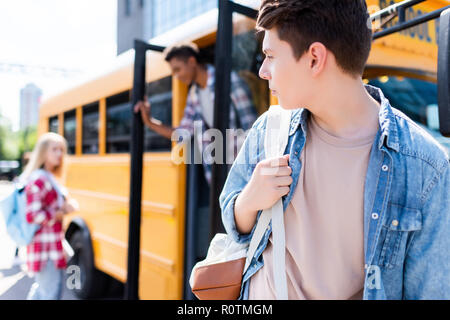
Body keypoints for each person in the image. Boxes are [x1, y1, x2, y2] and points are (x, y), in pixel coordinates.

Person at [219, 0, 449, 300]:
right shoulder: (269, 129)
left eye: (270, 56)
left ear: (314, 58)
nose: (263, 71)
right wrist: (249, 201)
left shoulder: (425, 165)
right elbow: (232, 219)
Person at [134, 43, 258, 185]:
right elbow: (182, 134)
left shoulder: (229, 80)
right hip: (220, 177)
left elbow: (250, 124)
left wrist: (252, 171)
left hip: (245, 172)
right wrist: (149, 122)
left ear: (192, 62)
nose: (176, 76)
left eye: (177, 69)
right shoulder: (194, 95)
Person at [20, 132, 78, 300]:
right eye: (55, 149)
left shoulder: (48, 177)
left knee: (44, 292)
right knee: (50, 293)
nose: (60, 154)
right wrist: (62, 212)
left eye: (61, 149)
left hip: (52, 246)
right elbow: (32, 215)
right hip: (45, 249)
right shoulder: (39, 180)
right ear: (43, 152)